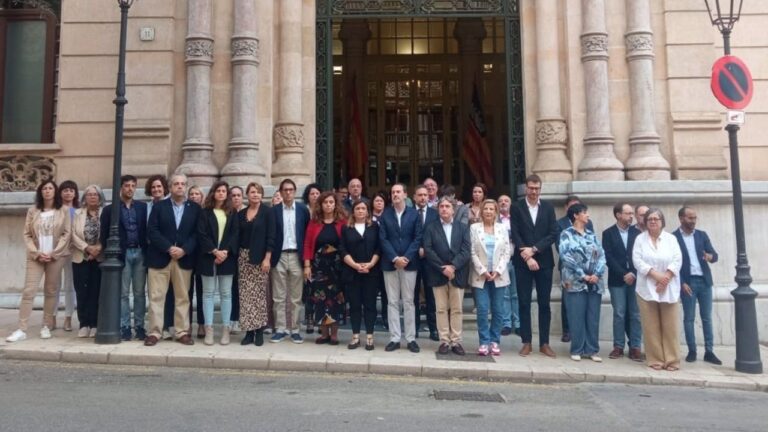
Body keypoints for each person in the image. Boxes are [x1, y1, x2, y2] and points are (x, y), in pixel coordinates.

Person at [6, 180, 71, 343]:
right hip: (36, 256)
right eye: (44, 188)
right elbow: (27, 234)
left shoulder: (63, 211)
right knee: (29, 291)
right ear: (40, 192)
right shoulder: (33, 211)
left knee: (51, 291)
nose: (47, 191)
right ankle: (22, 329)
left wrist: (54, 253)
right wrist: (36, 252)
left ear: (55, 191)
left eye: (50, 188)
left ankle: (46, 326)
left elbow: (66, 234)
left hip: (55, 257)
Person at [144, 174, 201, 346]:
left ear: (186, 187)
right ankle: (154, 332)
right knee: (156, 297)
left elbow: (197, 234)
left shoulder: (195, 208)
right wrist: (169, 248)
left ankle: (182, 331)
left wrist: (184, 250)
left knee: (183, 297)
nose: (180, 187)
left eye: (183, 184)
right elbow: (152, 231)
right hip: (160, 257)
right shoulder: (159, 207)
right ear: (170, 186)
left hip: (184, 259)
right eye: (176, 184)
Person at [509, 174, 559, 358]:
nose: (533, 191)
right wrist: (526, 254)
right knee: (523, 302)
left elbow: (553, 233)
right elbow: (515, 231)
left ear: (540, 189)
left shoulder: (548, 207)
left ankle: (544, 343)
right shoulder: (517, 207)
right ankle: (526, 342)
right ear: (525, 189)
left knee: (544, 303)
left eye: (537, 188)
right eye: (530, 188)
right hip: (522, 262)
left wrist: (535, 250)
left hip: (544, 261)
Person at [632, 208, 683, 371]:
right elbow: (637, 261)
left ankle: (672, 360)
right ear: (645, 222)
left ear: (662, 221)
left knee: (671, 326)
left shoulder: (671, 239)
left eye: (656, 218)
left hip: (669, 288)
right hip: (646, 288)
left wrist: (666, 277)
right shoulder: (640, 239)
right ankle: (655, 359)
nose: (653, 221)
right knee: (650, 326)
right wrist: (656, 276)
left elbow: (677, 259)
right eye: (650, 219)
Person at [101, 175, 148, 341]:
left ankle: (140, 326)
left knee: (140, 292)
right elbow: (104, 235)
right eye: (127, 185)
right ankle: (125, 326)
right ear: (121, 188)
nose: (130, 189)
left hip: (140, 252)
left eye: (133, 186)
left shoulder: (143, 208)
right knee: (123, 293)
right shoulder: (110, 209)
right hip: (123, 253)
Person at [673, 206, 721, 365]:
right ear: (681, 218)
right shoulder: (673, 238)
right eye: (690, 218)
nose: (693, 221)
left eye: (694, 218)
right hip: (688, 282)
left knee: (707, 317)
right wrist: (681, 282)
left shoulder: (702, 235)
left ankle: (709, 351)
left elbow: (714, 255)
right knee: (689, 318)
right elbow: (672, 263)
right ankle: (692, 350)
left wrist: (710, 256)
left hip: (704, 281)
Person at [559, 203, 606, 362]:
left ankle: (592, 349)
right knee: (576, 315)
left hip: (594, 282)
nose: (588, 215)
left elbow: (601, 255)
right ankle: (577, 348)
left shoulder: (591, 235)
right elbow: (566, 257)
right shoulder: (566, 234)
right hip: (575, 282)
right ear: (576, 215)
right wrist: (583, 275)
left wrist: (597, 274)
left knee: (593, 316)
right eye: (585, 213)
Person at [379, 183, 423, 353]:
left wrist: (406, 257)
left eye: (398, 192)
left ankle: (411, 338)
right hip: (390, 264)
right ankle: (395, 338)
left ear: (406, 194)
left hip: (409, 263)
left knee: (409, 302)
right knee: (392, 302)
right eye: (393, 192)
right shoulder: (385, 215)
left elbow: (417, 237)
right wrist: (394, 258)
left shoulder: (414, 214)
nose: (395, 194)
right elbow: (382, 239)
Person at [424, 196, 471, 355]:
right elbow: (428, 250)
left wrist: (453, 266)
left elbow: (466, 250)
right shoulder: (431, 228)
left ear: (453, 209)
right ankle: (444, 340)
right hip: (438, 274)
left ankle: (456, 341)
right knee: (441, 309)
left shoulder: (463, 227)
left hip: (457, 274)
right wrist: (442, 268)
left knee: (457, 309)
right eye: (441, 206)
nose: (444, 209)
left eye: (447, 206)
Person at [197, 181, 238, 345]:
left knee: (226, 294)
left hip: (227, 258)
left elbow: (235, 234)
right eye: (218, 191)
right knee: (207, 294)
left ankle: (226, 329)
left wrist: (225, 252)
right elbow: (201, 234)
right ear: (213, 193)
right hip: (208, 257)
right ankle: (209, 329)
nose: (221, 193)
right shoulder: (204, 212)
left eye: (224, 191)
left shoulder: (232, 212)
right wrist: (214, 251)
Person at [303, 191, 347, 344]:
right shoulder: (314, 222)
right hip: (319, 267)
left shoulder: (343, 222)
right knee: (320, 299)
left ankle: (334, 334)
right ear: (320, 205)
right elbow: (308, 244)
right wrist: (307, 265)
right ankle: (324, 334)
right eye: (325, 202)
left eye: (331, 202)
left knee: (335, 300)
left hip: (337, 267)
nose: (328, 205)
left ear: (335, 204)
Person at [469, 199, 511, 356]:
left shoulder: (502, 228)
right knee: (482, 309)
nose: (488, 211)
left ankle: (495, 341)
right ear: (481, 211)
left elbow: (507, 251)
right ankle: (484, 342)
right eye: (485, 208)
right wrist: (483, 271)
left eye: (491, 209)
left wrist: (498, 271)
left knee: (498, 310)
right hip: (481, 276)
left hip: (499, 276)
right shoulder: (474, 228)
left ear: (496, 212)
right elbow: (472, 251)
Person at [270, 178, 310, 343]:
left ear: (295, 192)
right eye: (285, 190)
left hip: (296, 256)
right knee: (278, 297)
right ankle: (280, 329)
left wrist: (307, 262)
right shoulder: (273, 211)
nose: (288, 193)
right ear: (280, 192)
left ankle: (294, 329)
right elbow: (270, 235)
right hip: (278, 256)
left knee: (295, 297)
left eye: (291, 190)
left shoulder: (302, 210)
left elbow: (307, 236)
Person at [602, 202, 642, 361]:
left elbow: (641, 255)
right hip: (617, 280)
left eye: (632, 213)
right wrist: (624, 273)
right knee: (619, 313)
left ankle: (635, 346)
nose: (631, 216)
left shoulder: (637, 233)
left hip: (636, 279)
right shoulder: (608, 233)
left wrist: (633, 273)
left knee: (635, 314)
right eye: (628, 213)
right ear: (618, 215)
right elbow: (608, 257)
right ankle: (618, 346)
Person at [339, 200, 380, 350]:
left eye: (363, 208)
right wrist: (355, 265)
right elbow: (342, 249)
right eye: (358, 208)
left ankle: (370, 336)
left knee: (370, 305)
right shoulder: (346, 228)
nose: (361, 211)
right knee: (355, 305)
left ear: (368, 211)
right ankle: (355, 336)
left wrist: (370, 264)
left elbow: (378, 248)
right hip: (352, 272)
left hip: (371, 272)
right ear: (353, 211)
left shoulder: (374, 227)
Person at [237, 182, 274, 346]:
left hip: (260, 258)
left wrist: (267, 258)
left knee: (259, 296)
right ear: (247, 194)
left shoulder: (267, 212)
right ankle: (248, 332)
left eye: (258, 192)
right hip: (244, 258)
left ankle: (259, 331)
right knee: (245, 296)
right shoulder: (241, 213)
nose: (255, 195)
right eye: (252, 192)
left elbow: (271, 237)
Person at [556, 195, 595, 344]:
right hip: (568, 268)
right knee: (568, 299)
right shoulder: (560, 224)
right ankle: (567, 330)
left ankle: (582, 332)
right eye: (574, 207)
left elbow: (593, 247)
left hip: (587, 269)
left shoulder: (588, 224)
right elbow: (561, 247)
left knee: (585, 300)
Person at [71, 185, 105, 338]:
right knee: (82, 291)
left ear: (100, 197)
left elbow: (110, 232)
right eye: (89, 194)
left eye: (95, 194)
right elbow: (72, 234)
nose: (92, 197)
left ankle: (95, 324)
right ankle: (84, 323)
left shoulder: (106, 212)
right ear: (84, 198)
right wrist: (87, 248)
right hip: (81, 257)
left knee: (96, 291)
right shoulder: (77, 213)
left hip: (99, 257)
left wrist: (98, 248)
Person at [413, 184, 439, 341]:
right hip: (413, 258)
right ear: (414, 197)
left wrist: (426, 250)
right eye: (420, 195)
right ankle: (413, 328)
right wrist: (416, 249)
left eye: (425, 195)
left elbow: (437, 235)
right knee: (413, 296)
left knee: (431, 296)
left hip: (430, 261)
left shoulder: (434, 214)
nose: (423, 197)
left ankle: (433, 329)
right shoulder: (409, 214)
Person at [182, 185, 205, 338]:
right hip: (188, 255)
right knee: (187, 293)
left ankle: (202, 325)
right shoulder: (184, 211)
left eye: (197, 194)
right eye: (192, 194)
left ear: (202, 197)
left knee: (203, 292)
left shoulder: (205, 212)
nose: (194, 196)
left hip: (203, 257)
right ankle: (187, 324)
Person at [56, 180, 79, 332]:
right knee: (54, 285)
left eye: (71, 190)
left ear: (75, 193)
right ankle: (51, 316)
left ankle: (68, 317)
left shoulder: (78, 211)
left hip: (73, 251)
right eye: (65, 190)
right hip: (57, 251)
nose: (68, 193)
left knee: (70, 286)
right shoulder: (55, 211)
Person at [300, 182, 323, 334]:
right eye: (312, 193)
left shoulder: (325, 210)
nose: (315, 196)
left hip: (322, 256)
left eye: (317, 193)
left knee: (321, 290)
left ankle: (321, 321)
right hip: (307, 255)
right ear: (307, 196)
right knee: (308, 289)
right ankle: (309, 319)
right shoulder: (303, 211)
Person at [497, 194, 519, 336]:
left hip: (516, 259)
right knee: (504, 294)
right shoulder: (494, 220)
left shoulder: (517, 218)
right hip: (501, 261)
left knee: (516, 293)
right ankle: (506, 323)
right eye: (501, 201)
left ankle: (517, 323)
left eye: (506, 201)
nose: (503, 203)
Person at [370, 191, 389, 329]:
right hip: (371, 258)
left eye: (381, 201)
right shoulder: (367, 218)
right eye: (376, 201)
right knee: (372, 290)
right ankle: (370, 317)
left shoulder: (389, 217)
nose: (379, 203)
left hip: (386, 258)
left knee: (386, 291)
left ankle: (386, 317)